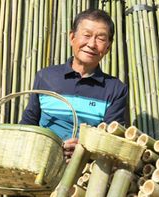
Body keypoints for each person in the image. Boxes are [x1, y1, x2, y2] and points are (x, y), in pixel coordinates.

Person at [20, 9, 128, 162]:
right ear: (72, 37)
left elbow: (111, 141)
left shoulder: (116, 89)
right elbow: (28, 123)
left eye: (100, 38)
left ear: (108, 47)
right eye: (87, 35)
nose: (91, 44)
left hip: (86, 173)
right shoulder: (46, 77)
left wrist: (84, 149)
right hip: (41, 162)